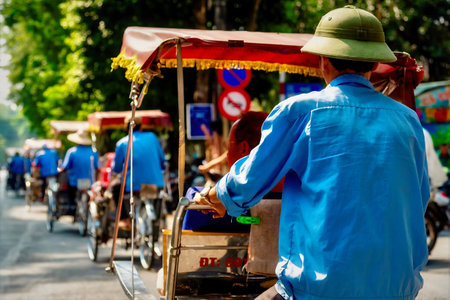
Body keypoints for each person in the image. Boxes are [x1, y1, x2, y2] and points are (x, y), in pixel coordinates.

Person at [195, 6, 429, 300]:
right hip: (396, 288)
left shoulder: (301, 111)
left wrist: (215, 196)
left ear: (323, 61)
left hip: (319, 289)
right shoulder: (407, 120)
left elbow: (249, 180)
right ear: (373, 64)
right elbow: (418, 197)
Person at [111, 116, 166, 229]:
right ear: (141, 126)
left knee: (116, 188)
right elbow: (162, 160)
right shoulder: (152, 137)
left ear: (126, 128)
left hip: (133, 186)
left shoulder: (122, 143)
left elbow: (116, 168)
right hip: (155, 184)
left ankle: (125, 220)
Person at [60, 129, 100, 204]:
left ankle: (74, 207)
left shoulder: (71, 152)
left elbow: (65, 167)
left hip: (74, 182)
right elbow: (98, 168)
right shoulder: (93, 152)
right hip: (90, 182)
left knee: (71, 197)